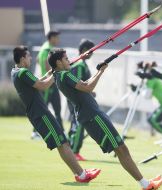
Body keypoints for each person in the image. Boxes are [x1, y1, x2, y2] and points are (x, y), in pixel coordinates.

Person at [48, 48, 162, 190]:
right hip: (93, 116)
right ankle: (145, 185)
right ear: (59, 63)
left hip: (92, 114)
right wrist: (101, 71)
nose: (69, 60)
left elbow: (84, 85)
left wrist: (94, 67)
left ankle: (145, 183)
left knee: (121, 148)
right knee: (121, 149)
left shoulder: (58, 75)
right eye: (66, 59)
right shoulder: (65, 75)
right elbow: (88, 86)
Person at [11, 46, 101, 183]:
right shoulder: (23, 72)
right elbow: (42, 86)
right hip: (40, 113)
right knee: (62, 143)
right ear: (22, 58)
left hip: (39, 113)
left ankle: (81, 173)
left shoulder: (15, 71)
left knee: (62, 142)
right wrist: (56, 73)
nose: (30, 59)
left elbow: (37, 82)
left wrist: (49, 73)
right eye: (28, 56)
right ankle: (81, 175)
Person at [136, 62, 162, 147]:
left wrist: (139, 91)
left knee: (154, 120)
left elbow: (147, 96)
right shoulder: (151, 78)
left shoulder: (151, 80)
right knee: (151, 119)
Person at [32, 30, 63, 139]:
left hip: (51, 83)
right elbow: (46, 65)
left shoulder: (44, 47)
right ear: (52, 38)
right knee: (43, 109)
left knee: (57, 108)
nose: (58, 40)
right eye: (57, 37)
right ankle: (35, 132)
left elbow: (37, 60)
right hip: (47, 84)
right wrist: (57, 70)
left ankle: (61, 132)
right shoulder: (47, 49)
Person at [68, 39, 95, 161]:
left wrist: (89, 91)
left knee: (75, 123)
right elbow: (77, 83)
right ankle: (74, 152)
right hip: (77, 100)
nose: (92, 53)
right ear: (85, 50)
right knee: (79, 124)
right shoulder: (79, 65)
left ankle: (71, 150)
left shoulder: (80, 63)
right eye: (91, 51)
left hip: (76, 98)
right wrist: (87, 91)